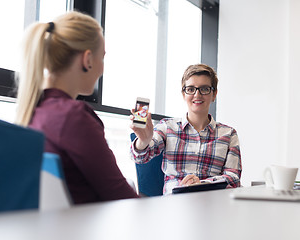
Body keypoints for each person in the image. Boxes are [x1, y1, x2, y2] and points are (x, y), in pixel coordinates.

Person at [15, 11, 139, 204]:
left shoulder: (34, 111)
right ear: (87, 59)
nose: (102, 67)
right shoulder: (73, 116)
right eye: (102, 57)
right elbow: (122, 197)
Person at [130, 64, 242, 195]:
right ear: (184, 94)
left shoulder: (229, 134)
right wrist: (143, 141)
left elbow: (233, 178)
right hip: (174, 206)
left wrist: (202, 184)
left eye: (204, 89)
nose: (197, 94)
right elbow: (140, 158)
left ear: (214, 94)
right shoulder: (167, 127)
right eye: (190, 89)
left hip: (212, 204)